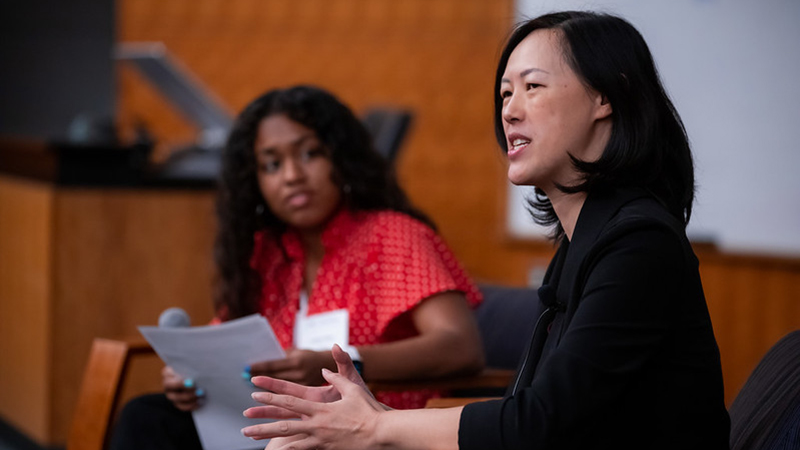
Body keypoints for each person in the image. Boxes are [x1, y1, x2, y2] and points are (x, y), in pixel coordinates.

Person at [240, 11, 731, 450]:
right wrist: (368, 420)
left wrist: (376, 429)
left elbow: (539, 424)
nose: (510, 110)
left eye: (532, 87)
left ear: (607, 96)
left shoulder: (639, 244)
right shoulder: (586, 240)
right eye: (506, 93)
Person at [109, 85, 484, 450]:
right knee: (147, 416)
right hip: (271, 428)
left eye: (309, 154)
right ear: (254, 182)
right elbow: (221, 345)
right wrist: (190, 377)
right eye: (272, 164)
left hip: (367, 431)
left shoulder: (394, 234)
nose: (291, 176)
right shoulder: (265, 253)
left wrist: (341, 363)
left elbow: (460, 347)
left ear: (341, 158)